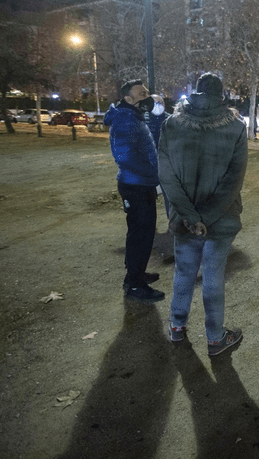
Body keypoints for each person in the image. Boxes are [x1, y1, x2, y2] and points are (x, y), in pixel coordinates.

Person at [157, 73, 248, 356]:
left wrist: (189, 215)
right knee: (212, 278)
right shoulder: (235, 127)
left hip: (184, 221)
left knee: (183, 273)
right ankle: (215, 338)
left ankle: (176, 326)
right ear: (221, 96)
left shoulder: (172, 124)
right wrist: (206, 218)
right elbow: (234, 179)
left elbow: (166, 174)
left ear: (195, 93)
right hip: (220, 221)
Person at [103, 79, 164, 303]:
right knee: (140, 235)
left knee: (142, 234)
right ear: (128, 99)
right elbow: (125, 157)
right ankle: (135, 285)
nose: (147, 97)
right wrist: (151, 173)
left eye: (146, 92)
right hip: (136, 185)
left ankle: (137, 273)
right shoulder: (125, 120)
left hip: (142, 183)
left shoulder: (133, 116)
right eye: (141, 94)